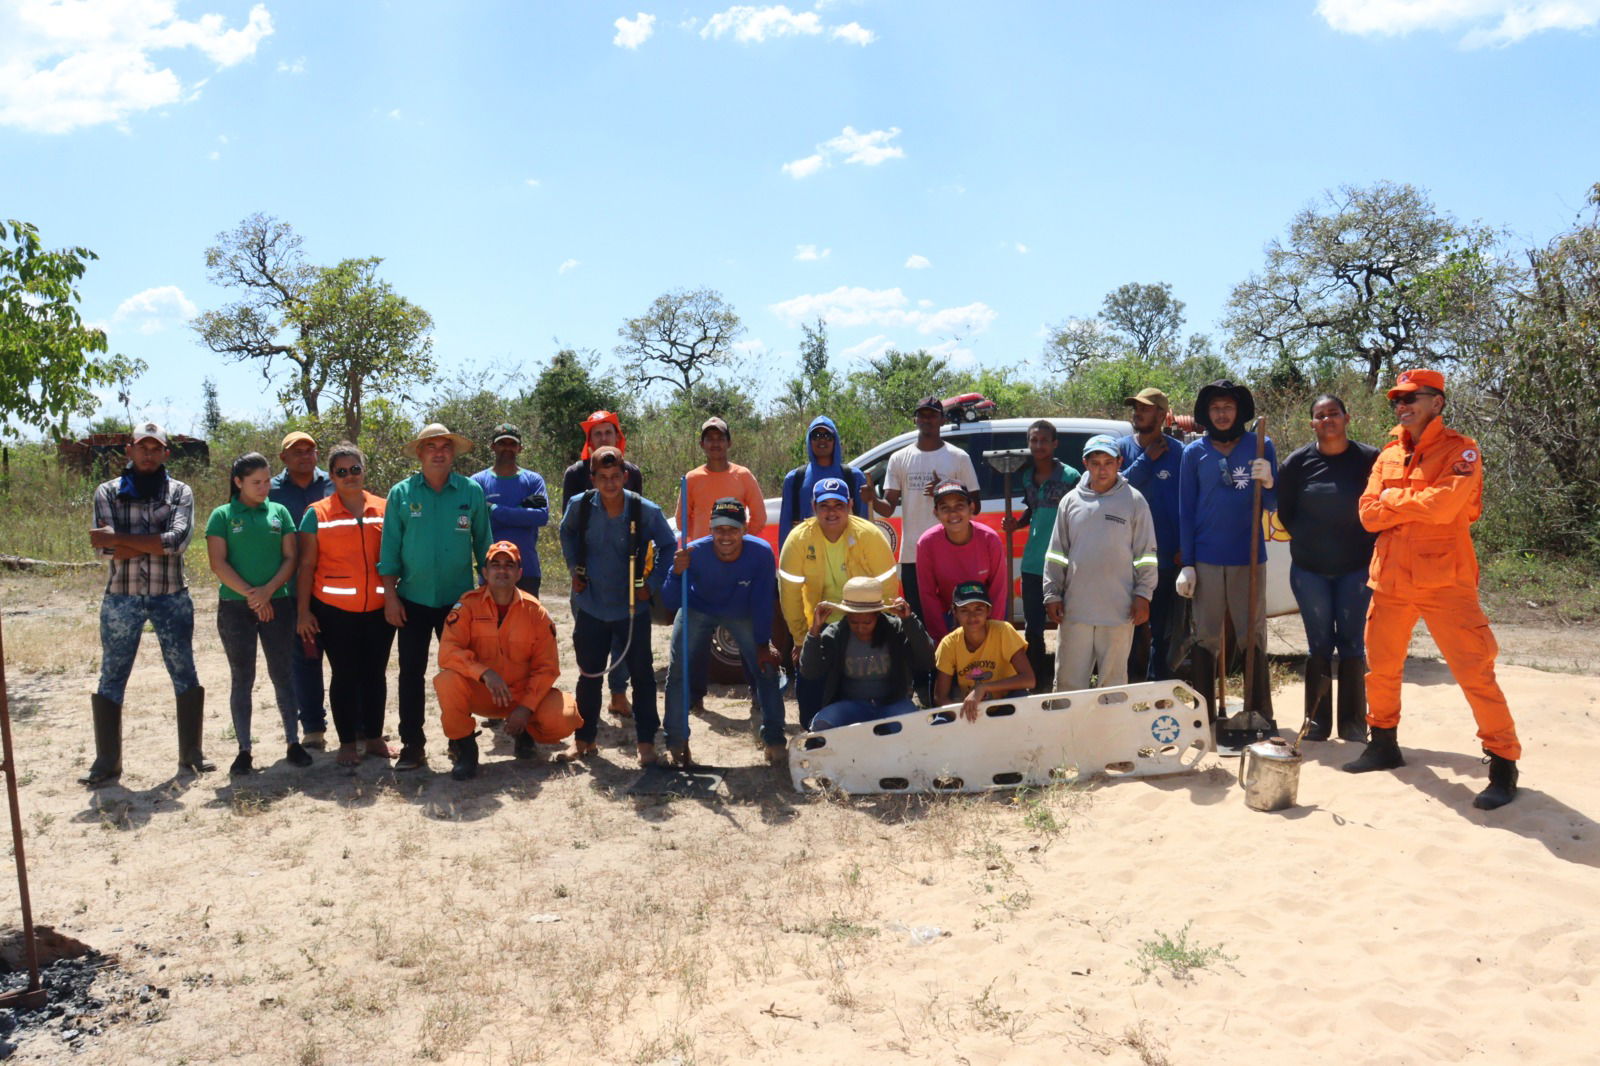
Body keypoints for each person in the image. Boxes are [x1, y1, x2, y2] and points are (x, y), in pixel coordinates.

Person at [1342, 370, 1522, 810]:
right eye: (1396, 399)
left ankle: (1503, 764)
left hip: (1446, 583)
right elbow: (1366, 515)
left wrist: (1392, 504)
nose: (1401, 404)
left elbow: (1444, 508)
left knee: (1475, 673)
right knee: (1381, 667)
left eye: (1410, 397)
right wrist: (1401, 507)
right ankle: (1383, 744)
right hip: (1390, 581)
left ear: (1437, 403)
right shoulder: (1387, 455)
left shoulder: (1462, 450)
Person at [82, 422, 212, 786]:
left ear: (166, 453)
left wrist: (123, 542)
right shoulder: (106, 492)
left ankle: (192, 755)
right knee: (112, 675)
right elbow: (104, 548)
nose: (149, 453)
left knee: (184, 670)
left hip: (170, 595)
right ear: (129, 450)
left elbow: (177, 543)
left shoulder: (180, 491)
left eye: (156, 448)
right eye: (143, 447)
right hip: (121, 598)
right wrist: (141, 543)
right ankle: (107, 761)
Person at [378, 423, 491, 771]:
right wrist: (390, 597)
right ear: (420, 453)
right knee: (411, 673)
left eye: (445, 446)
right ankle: (413, 744)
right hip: (412, 599)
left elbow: (484, 545)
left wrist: (488, 594)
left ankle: (461, 743)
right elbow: (390, 549)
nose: (439, 452)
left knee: (459, 673)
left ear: (453, 453)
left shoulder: (471, 492)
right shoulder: (401, 493)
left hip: (459, 603)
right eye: (431, 446)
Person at [560, 446, 677, 761]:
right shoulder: (579, 506)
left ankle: (647, 744)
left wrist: (651, 585)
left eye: (615, 477)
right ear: (593, 478)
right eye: (603, 477)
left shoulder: (643, 510)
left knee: (642, 676)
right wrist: (574, 568)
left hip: (631, 608)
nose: (610, 483)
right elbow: (566, 533)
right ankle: (584, 741)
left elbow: (669, 545)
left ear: (624, 476)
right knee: (589, 676)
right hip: (592, 605)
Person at [1276, 394, 1379, 742]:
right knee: (1319, 645)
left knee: (1352, 644)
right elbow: (1286, 512)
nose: (1327, 420)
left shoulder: (1370, 459)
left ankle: (1353, 723)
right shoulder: (1296, 463)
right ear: (1312, 424)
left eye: (1333, 414)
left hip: (1357, 569)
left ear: (1347, 418)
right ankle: (1317, 720)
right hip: (1310, 570)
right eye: (1320, 416)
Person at [1175, 380, 1277, 726]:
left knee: (1253, 633)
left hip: (1248, 558)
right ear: (1206, 413)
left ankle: (1259, 712)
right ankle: (1204, 717)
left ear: (1239, 412)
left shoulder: (1261, 445)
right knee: (1206, 635)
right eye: (1215, 408)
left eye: (1228, 408)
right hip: (1205, 558)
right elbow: (1185, 510)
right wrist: (1187, 563)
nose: (1222, 414)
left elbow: (1274, 505)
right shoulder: (1194, 453)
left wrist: (1269, 482)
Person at [434, 541, 580, 780]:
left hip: (520, 695)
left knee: (563, 716)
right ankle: (465, 748)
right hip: (482, 692)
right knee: (446, 680)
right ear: (484, 572)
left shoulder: (536, 613)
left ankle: (526, 733)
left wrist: (525, 708)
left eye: (509, 565)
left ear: (519, 573)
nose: (502, 570)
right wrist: (484, 673)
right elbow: (448, 652)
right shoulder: (467, 606)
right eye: (495, 564)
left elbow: (547, 668)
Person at [206, 452, 309, 775]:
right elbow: (218, 563)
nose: (264, 488)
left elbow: (290, 557)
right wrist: (252, 595)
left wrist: (267, 592)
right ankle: (244, 750)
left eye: (267, 481)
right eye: (256, 482)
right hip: (236, 607)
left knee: (283, 673)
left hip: (278, 602)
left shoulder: (279, 512)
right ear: (238, 482)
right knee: (242, 678)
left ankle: (294, 743)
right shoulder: (222, 516)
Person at [295, 441, 397, 767]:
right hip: (334, 612)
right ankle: (348, 743)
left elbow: (395, 558)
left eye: (355, 469)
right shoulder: (317, 514)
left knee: (375, 674)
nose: (350, 476)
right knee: (344, 675)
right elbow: (306, 566)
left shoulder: (386, 508)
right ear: (332, 476)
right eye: (342, 471)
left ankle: (375, 737)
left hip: (379, 610)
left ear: (364, 471)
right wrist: (303, 611)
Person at [661, 499, 784, 766]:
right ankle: (676, 742)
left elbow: (763, 602)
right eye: (719, 529)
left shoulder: (761, 553)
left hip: (741, 612)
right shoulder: (693, 552)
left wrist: (764, 643)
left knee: (767, 666)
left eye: (733, 529)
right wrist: (675, 572)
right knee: (678, 671)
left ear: (745, 529)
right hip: (697, 608)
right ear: (710, 528)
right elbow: (671, 601)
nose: (725, 536)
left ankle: (774, 740)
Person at [777, 478, 899, 728]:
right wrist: (801, 638)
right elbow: (789, 594)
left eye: (838, 505)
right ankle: (812, 730)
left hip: (864, 619)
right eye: (824, 505)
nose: (831, 511)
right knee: (810, 677)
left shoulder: (870, 535)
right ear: (813, 506)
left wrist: (877, 630)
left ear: (851, 505)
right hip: (820, 623)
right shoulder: (798, 540)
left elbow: (887, 589)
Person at [1042, 434, 1158, 691]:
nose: (1102, 469)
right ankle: (1071, 730)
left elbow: (1146, 554)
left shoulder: (1134, 501)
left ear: (1119, 462)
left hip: (1118, 611)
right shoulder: (1070, 502)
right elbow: (1056, 553)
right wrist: (1051, 594)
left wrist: (1143, 594)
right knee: (1068, 684)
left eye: (1108, 462)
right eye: (1096, 463)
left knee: (1113, 684)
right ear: (1085, 463)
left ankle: (1110, 731)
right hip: (1076, 611)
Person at [672, 416, 768, 711]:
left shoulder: (743, 476)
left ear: (729, 442)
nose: (715, 443)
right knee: (697, 637)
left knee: (748, 635)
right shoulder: (692, 478)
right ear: (702, 444)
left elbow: (759, 517)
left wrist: (737, 546)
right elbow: (680, 521)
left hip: (737, 568)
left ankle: (759, 695)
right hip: (702, 570)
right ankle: (695, 696)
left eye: (720, 437)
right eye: (709, 438)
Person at [559, 409, 642, 719]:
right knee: (586, 635)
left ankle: (618, 694)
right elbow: (568, 526)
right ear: (589, 440)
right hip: (585, 569)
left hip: (622, 567)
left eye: (608, 432)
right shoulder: (574, 474)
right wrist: (573, 568)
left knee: (623, 635)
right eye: (597, 433)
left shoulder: (632, 472)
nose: (603, 438)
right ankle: (587, 697)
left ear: (617, 436)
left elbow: (638, 522)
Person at [871, 395, 980, 630]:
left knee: (956, 615)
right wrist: (871, 498)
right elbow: (888, 508)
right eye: (922, 414)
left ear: (942, 420)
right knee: (919, 619)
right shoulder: (899, 458)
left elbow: (976, 505)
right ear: (915, 419)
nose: (927, 419)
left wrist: (947, 490)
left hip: (951, 550)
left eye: (933, 414)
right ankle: (926, 666)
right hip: (913, 554)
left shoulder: (958, 457)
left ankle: (955, 664)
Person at [1002, 420, 1080, 692]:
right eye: (1034, 441)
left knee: (1066, 621)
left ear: (1055, 443)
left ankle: (1069, 679)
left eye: (1044, 440)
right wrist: (1018, 524)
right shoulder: (1026, 476)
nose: (1038, 446)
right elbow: (1033, 510)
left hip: (1064, 562)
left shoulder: (1071, 478)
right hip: (1034, 562)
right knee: (1033, 626)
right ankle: (1037, 680)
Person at [799, 578, 933, 731]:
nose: (860, 628)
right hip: (851, 706)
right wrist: (814, 631)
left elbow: (927, 660)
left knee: (915, 727)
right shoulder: (836, 634)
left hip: (892, 705)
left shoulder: (896, 629)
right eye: (854, 622)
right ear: (847, 616)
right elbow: (809, 671)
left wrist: (910, 621)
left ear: (877, 615)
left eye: (867, 623)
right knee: (821, 724)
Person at [270, 431, 333, 750]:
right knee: (305, 657)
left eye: (310, 450)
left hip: (335, 585)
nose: (305, 455)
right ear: (283, 458)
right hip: (292, 588)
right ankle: (313, 727)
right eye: (297, 451)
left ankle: (361, 725)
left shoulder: (333, 481)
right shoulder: (271, 491)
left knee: (346, 658)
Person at [1117, 388, 1184, 681]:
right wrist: (1146, 460)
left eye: (1144, 408)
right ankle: (1127, 688)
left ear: (1161, 414)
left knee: (1162, 631)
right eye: (1136, 409)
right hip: (1124, 557)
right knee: (1126, 627)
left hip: (1166, 558)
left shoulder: (1180, 453)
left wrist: (1186, 547)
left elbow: (1189, 504)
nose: (1137, 413)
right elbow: (1115, 490)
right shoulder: (1119, 449)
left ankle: (1158, 691)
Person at [916, 479, 1007, 643]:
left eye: (959, 506)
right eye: (945, 508)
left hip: (983, 615)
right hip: (948, 616)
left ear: (971, 508)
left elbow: (998, 590)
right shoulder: (926, 543)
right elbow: (928, 594)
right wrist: (943, 641)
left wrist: (992, 635)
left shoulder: (990, 539)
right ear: (936, 513)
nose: (953, 513)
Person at [932, 582, 1035, 723]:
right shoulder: (949, 644)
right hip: (970, 712)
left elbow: (1029, 680)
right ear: (954, 612)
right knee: (939, 722)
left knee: (1023, 700)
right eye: (964, 610)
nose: (972, 616)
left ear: (988, 611)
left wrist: (984, 688)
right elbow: (940, 697)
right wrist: (965, 713)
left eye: (978, 609)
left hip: (1006, 704)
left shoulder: (1003, 631)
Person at [471, 423, 550, 596]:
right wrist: (521, 510)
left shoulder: (533, 481)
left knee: (526, 622)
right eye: (502, 443)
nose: (507, 448)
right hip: (490, 571)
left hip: (526, 569)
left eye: (512, 444)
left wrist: (494, 510)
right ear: (493, 447)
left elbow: (541, 517)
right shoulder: (478, 482)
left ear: (520, 448)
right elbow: (474, 523)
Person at [777, 416, 868, 547]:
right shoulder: (795, 479)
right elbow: (786, 526)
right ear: (809, 439)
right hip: (807, 554)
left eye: (827, 436)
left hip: (846, 554)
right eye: (816, 435)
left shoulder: (853, 477)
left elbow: (863, 522)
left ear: (835, 439)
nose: (822, 440)